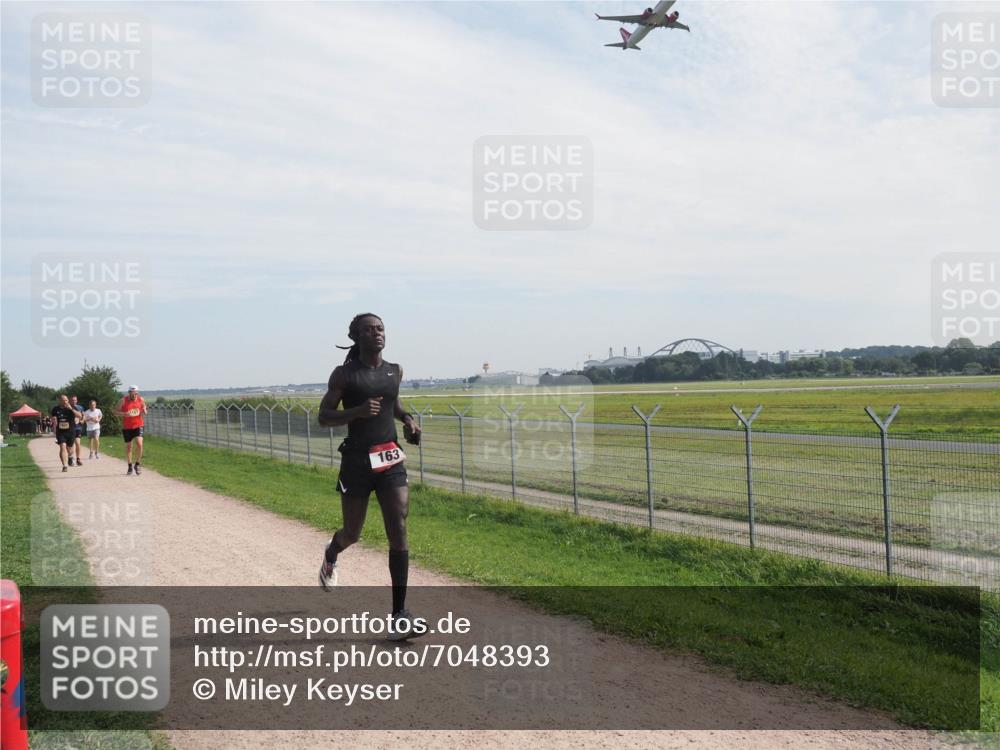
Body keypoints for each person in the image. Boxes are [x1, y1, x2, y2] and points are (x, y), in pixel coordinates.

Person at [317, 313, 422, 641]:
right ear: (356, 337)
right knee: (352, 533)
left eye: (380, 329)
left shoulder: (395, 371)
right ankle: (332, 553)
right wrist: (357, 412)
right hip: (357, 461)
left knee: (399, 526)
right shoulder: (344, 374)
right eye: (368, 330)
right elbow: (324, 416)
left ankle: (399, 616)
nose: (377, 333)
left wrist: (408, 420)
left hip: (389, 459)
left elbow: (394, 405)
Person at [116, 386, 147, 475]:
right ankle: (130, 466)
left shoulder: (141, 399)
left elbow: (144, 406)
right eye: (133, 394)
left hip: (138, 425)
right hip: (127, 427)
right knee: (129, 447)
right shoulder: (123, 400)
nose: (134, 395)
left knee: (139, 444)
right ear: (129, 393)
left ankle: (137, 464)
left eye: (136, 393)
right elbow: (115, 411)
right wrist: (124, 414)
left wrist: (144, 410)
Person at [50, 395, 77, 472]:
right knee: (62, 446)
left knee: (70, 449)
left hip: (71, 431)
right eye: (63, 400)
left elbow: (80, 415)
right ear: (60, 401)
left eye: (66, 400)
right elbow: (53, 418)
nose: (65, 402)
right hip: (61, 431)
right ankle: (65, 465)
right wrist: (53, 419)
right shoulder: (55, 409)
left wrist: (71, 409)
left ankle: (70, 457)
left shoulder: (72, 407)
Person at [69, 395, 85, 465]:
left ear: (77, 400)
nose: (74, 401)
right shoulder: (68, 407)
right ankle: (70, 457)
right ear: (70, 401)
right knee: (71, 444)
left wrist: (83, 420)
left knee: (78, 443)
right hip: (70, 428)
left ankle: (78, 459)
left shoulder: (80, 407)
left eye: (75, 400)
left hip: (78, 428)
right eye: (72, 400)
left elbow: (83, 415)